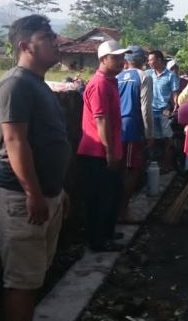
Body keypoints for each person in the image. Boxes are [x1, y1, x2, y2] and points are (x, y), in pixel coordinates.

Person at [0, 14, 70, 321]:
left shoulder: (37, 84)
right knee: (21, 281)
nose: (55, 42)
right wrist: (34, 193)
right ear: (24, 46)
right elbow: (15, 142)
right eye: (45, 37)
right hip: (20, 197)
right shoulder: (15, 84)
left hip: (43, 195)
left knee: (33, 277)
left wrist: (54, 191)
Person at [77, 39, 128, 253]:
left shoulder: (110, 82)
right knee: (100, 198)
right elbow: (101, 120)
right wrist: (109, 151)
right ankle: (98, 241)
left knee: (111, 195)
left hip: (107, 150)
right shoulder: (99, 84)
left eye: (121, 57)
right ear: (103, 59)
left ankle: (106, 233)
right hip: (97, 151)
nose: (120, 61)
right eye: (115, 58)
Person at [117, 45, 153, 221]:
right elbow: (146, 107)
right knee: (132, 169)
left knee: (118, 168)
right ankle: (123, 209)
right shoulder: (143, 76)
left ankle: (117, 207)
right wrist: (149, 133)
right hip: (132, 125)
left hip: (116, 126)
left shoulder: (116, 77)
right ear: (143, 60)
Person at [148, 50, 180, 172]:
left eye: (151, 59)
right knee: (154, 139)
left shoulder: (170, 75)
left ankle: (167, 165)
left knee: (167, 138)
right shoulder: (149, 74)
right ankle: (154, 165)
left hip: (164, 110)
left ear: (159, 60)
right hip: (151, 110)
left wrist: (175, 105)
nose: (149, 62)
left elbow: (175, 93)